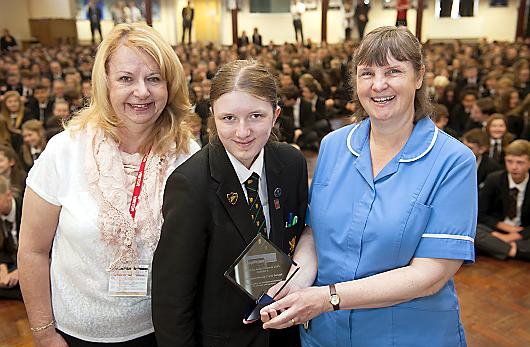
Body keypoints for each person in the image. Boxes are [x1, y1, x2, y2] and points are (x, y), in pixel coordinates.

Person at [261, 26, 477, 347]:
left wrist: (328, 298)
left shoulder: (453, 161)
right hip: (325, 333)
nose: (378, 85)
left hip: (406, 335)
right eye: (367, 73)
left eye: (393, 71)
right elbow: (315, 232)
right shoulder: (334, 145)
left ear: (418, 77)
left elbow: (430, 274)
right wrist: (296, 282)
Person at [17, 23, 199, 347]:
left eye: (154, 79)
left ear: (170, 85)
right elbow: (32, 250)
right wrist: (44, 333)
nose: (141, 91)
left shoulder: (187, 156)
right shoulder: (65, 150)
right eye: (126, 79)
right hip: (74, 334)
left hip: (162, 332)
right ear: (105, 84)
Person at [152, 60, 308, 347]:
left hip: (284, 332)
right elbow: (172, 298)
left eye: (256, 116)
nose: (242, 132)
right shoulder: (190, 184)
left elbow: (297, 238)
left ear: (275, 116)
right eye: (229, 119)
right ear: (212, 115)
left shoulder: (291, 164)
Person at [475, 140, 530, 261]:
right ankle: (514, 251)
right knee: (473, 230)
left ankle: (496, 247)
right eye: (509, 161)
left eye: (520, 162)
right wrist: (506, 230)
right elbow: (481, 213)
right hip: (497, 230)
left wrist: (515, 235)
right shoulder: (494, 179)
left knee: (480, 242)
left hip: (523, 232)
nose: (514, 167)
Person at [0, 175, 23, 300]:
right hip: (12, 262)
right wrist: (2, 270)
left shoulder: (26, 208)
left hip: (33, 263)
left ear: (8, 195)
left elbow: (43, 249)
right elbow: (2, 250)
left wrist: (21, 271)